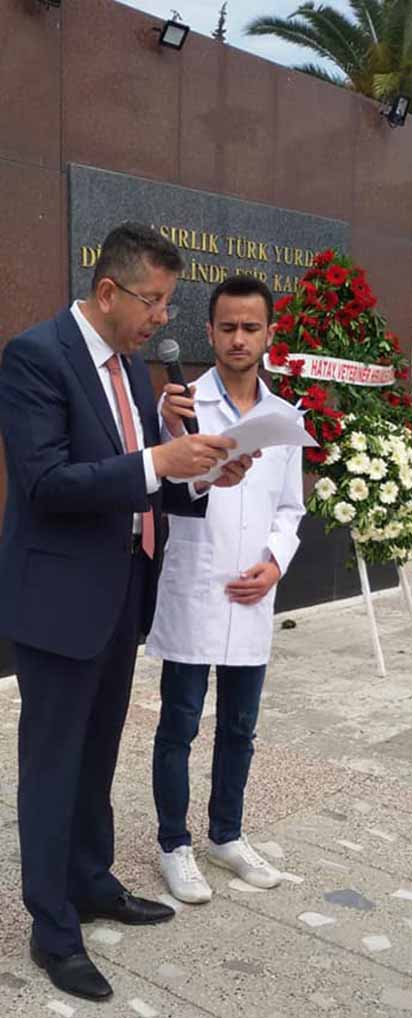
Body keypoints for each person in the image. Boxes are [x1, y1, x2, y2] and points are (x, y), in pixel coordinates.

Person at [0, 225, 253, 1001]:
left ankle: (91, 881)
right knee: (53, 767)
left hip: (121, 594)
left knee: (99, 752)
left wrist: (202, 473)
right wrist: (155, 460)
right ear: (108, 291)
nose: (162, 319)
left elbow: (143, 483)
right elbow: (46, 483)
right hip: (58, 602)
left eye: (169, 303)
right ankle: (53, 930)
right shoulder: (34, 357)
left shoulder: (133, 370)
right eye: (154, 301)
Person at [146, 275, 305, 904]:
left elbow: (290, 507)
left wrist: (276, 563)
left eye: (251, 327)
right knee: (179, 724)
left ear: (269, 334)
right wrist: (175, 440)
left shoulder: (283, 418)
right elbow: (160, 488)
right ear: (209, 332)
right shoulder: (182, 407)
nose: (239, 339)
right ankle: (173, 844)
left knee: (240, 727)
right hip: (195, 585)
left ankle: (226, 835)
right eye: (228, 327)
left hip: (253, 592)